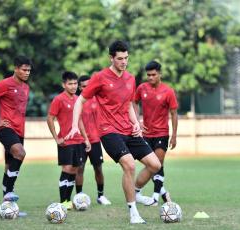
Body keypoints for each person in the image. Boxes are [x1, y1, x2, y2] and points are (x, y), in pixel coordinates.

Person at [65, 40, 161, 224]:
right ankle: (133, 213)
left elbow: (128, 105)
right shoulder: (100, 78)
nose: (124, 62)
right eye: (120, 58)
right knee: (129, 165)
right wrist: (75, 125)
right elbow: (80, 101)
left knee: (155, 165)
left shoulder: (131, 78)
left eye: (126, 58)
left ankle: (137, 191)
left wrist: (136, 124)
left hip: (128, 129)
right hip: (108, 131)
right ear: (111, 58)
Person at [0, 56, 32, 213]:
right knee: (20, 153)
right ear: (15, 68)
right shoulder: (5, 84)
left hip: (19, 131)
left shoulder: (26, 87)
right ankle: (9, 192)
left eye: (29, 70)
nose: (27, 73)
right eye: (24, 69)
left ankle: (7, 207)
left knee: (9, 165)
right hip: (6, 129)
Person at [134, 60, 178, 206]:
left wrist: (174, 135)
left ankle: (155, 197)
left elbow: (174, 113)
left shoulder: (168, 91)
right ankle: (164, 192)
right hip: (145, 135)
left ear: (160, 74)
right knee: (151, 166)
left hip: (161, 134)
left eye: (153, 75)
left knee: (158, 164)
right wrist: (137, 121)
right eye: (148, 75)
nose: (150, 77)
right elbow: (134, 102)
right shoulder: (141, 88)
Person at [47, 71, 91, 210]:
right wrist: (56, 138)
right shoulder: (59, 99)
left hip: (78, 141)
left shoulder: (79, 99)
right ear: (64, 84)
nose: (73, 86)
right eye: (70, 84)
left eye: (75, 83)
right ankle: (63, 201)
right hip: (66, 141)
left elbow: (80, 121)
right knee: (66, 169)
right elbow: (49, 118)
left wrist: (86, 139)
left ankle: (67, 200)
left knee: (74, 170)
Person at [75, 75, 111, 205]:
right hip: (80, 141)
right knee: (79, 169)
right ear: (79, 87)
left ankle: (101, 196)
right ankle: (79, 197)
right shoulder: (78, 101)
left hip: (95, 140)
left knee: (98, 169)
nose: (86, 88)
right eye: (83, 86)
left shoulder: (98, 99)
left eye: (88, 86)